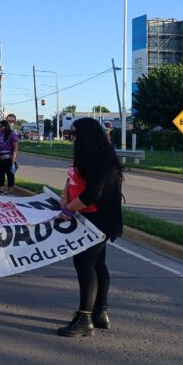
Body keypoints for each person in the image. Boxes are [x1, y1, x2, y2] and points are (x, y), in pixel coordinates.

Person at [57, 117, 124, 337]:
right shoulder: (85, 156)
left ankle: (84, 317)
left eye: (75, 134)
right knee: (98, 263)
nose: (72, 137)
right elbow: (72, 179)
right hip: (86, 217)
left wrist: (68, 210)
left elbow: (92, 194)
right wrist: (65, 195)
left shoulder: (100, 159)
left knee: (85, 262)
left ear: (87, 135)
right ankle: (100, 312)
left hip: (99, 219)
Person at [0, 120, 19, 194]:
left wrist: (14, 156)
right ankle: (0, 189)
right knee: (1, 174)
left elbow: (15, 146)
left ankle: (10, 189)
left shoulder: (12, 134)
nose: (0, 128)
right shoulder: (0, 134)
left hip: (8, 157)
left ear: (5, 126)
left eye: (1, 126)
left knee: (10, 174)